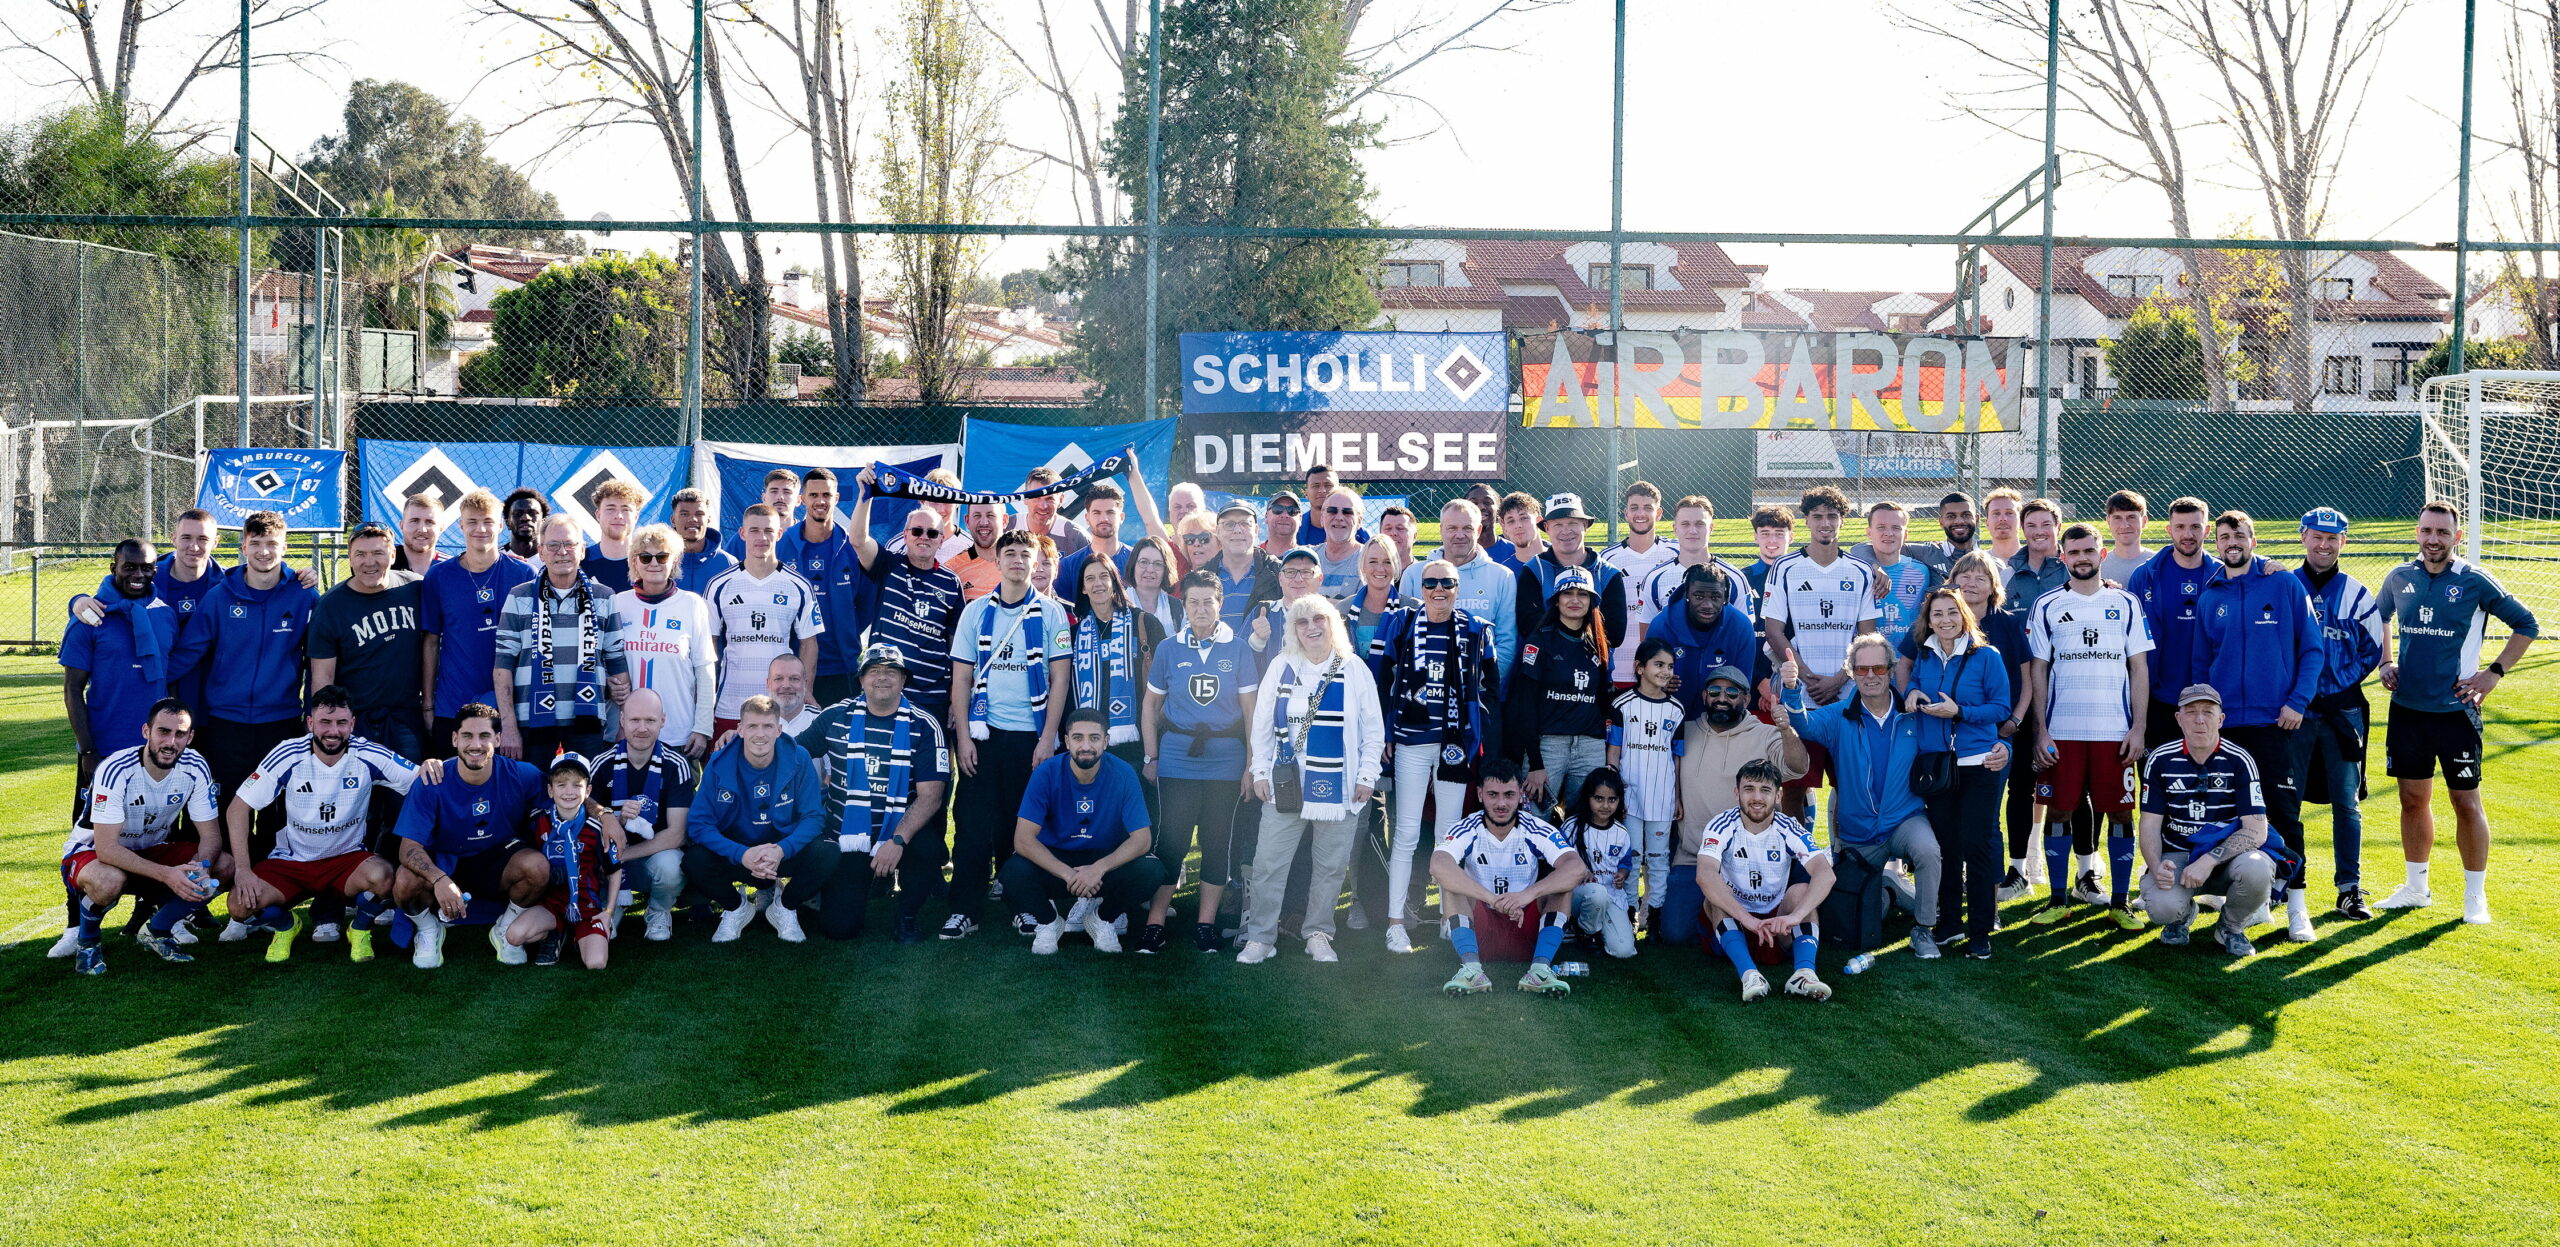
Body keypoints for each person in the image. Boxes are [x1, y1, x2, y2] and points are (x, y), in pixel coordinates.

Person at [2375, 500, 2540, 923]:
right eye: (2426, 531)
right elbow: (2380, 620)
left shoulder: (2474, 581)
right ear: (2417, 532)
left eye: (2442, 533)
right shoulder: (2399, 578)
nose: (2433, 540)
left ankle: (2474, 895)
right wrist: (2386, 661)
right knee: (2412, 799)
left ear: (2457, 537)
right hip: (2407, 710)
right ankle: (2416, 887)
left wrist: (2493, 674)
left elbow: (2527, 624)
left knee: (2465, 801)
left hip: (2456, 712)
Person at [2194, 508, 2324, 941]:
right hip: (2228, 729)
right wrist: (2209, 721)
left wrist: (2296, 702)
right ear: (2216, 544)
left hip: (2277, 722)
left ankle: (2298, 909)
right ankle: (2254, 903)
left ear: (2254, 539)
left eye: (2239, 535)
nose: (2232, 542)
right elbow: (2201, 666)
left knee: (2284, 815)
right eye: (2224, 536)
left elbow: (2312, 650)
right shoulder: (2211, 596)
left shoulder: (2284, 583)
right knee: (2233, 818)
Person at [224, 687, 418, 964]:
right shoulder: (289, 754)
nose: (333, 731)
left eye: (341, 723)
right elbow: (238, 808)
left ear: (352, 724)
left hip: (346, 860)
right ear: (311, 722)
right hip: (292, 863)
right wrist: (242, 870)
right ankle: (286, 926)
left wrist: (435, 766)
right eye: (325, 722)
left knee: (386, 879)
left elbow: (421, 781)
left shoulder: (367, 754)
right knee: (239, 906)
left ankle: (360, 929)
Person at [1240, 596, 1386, 965]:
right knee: (1269, 863)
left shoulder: (1354, 668)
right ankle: (1260, 936)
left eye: (1318, 619)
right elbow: (1261, 726)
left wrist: (1367, 775)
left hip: (1342, 787)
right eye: (1301, 622)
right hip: (1286, 785)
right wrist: (1260, 770)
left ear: (1332, 623)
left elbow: (1373, 731)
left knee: (1331, 867)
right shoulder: (1281, 665)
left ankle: (1318, 932)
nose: (1311, 627)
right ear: (1293, 629)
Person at [1368, 558, 1504, 953]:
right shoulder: (1402, 623)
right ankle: (1396, 922)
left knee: (1449, 833)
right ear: (1420, 586)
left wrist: (1483, 739)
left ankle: (1450, 917)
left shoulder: (1477, 630)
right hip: (1411, 740)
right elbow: (1381, 679)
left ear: (1458, 587)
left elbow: (1490, 690)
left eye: (1447, 582)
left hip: (1455, 742)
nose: (1439, 589)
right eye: (1431, 583)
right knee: (1407, 832)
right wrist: (1384, 732)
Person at [1780, 642, 1944, 968]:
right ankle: (1887, 892)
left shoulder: (1913, 713)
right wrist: (1790, 687)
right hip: (1858, 832)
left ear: (1892, 669)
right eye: (1861, 669)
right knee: (1847, 915)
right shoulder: (1839, 715)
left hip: (1904, 819)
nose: (1870, 676)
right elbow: (1803, 724)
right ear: (1852, 673)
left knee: (1928, 851)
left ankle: (1924, 929)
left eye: (1879, 668)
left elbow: (1950, 738)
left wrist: (2001, 747)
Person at [2024, 523, 2154, 927]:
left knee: (2119, 814)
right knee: (2060, 810)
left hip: (2114, 732)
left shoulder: (2126, 603)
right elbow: (2039, 671)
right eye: (2073, 552)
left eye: (2088, 551)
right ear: (2063, 557)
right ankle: (2057, 900)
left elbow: (2139, 668)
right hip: (2062, 732)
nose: (2081, 558)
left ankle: (2119, 902)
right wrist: (2040, 730)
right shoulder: (2046, 604)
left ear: (2101, 553)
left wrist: (2138, 729)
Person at [947, 528, 1073, 939]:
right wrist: (963, 738)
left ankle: (1024, 905)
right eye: (1010, 553)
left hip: (1030, 737)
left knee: (1022, 826)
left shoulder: (1052, 614)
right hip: (984, 736)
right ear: (997, 562)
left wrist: (1047, 738)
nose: (1018, 560)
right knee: (971, 823)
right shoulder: (975, 611)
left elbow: (1059, 680)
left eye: (1025, 554)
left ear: (1036, 563)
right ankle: (966, 908)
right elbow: (961, 678)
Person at [165, 509, 317, 829]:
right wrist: (141, 681)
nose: (264, 551)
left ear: (285, 547)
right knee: (222, 812)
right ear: (243, 547)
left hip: (281, 722)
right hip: (226, 723)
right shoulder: (219, 597)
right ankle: (225, 878)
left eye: (272, 543)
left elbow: (321, 657)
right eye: (256, 542)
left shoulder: (305, 595)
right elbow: (187, 654)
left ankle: (268, 879)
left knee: (278, 817)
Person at [1140, 570, 1261, 954]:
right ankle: (1155, 922)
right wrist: (1151, 755)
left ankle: (1204, 925)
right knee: (1171, 842)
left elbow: (1251, 713)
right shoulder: (1169, 648)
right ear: (1184, 605)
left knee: (1216, 843)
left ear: (1220, 604)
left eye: (1208, 601)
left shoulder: (1239, 648)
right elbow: (1150, 705)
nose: (1201, 608)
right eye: (1193, 601)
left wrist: (1250, 766)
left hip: (1226, 763)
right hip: (1177, 759)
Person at [1907, 550, 2038, 902]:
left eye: (1981, 577)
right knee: (1948, 826)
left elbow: (2026, 679)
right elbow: (1910, 668)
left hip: (1997, 735)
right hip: (1944, 745)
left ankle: (1989, 894)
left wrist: (2013, 721)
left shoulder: (2007, 624)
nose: (1971, 583)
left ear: (1994, 585)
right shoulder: (1930, 629)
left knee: (1984, 826)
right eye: (1964, 576)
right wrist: (1912, 692)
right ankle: (1949, 899)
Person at [58, 700, 225, 975]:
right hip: (92, 852)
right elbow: (107, 849)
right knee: (108, 879)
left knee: (223, 866)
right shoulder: (116, 769)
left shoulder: (196, 766)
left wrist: (201, 867)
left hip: (150, 849)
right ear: (146, 731)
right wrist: (168, 874)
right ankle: (87, 943)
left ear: (190, 737)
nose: (171, 741)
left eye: (180, 734)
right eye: (163, 731)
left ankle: (157, 931)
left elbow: (211, 834)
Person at [800, 644, 951, 943]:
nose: (882, 678)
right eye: (874, 671)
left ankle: (907, 915)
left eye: (891, 671)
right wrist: (743, 738)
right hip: (849, 834)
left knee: (928, 848)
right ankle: (858, 885)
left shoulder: (924, 724)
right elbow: (792, 754)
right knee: (839, 928)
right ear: (861, 679)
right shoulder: (835, 716)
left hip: (900, 832)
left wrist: (897, 840)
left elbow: (932, 796)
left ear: (904, 680)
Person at [389, 704, 550, 969]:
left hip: (497, 861)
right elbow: (407, 848)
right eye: (467, 736)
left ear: (497, 739)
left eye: (484, 736)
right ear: (454, 739)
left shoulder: (521, 774)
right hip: (446, 863)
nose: (476, 745)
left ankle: (506, 928)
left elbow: (567, 794)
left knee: (537, 867)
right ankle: (429, 929)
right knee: (405, 880)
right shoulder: (432, 779)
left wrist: (603, 815)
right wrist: (439, 879)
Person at [1003, 709, 1171, 954]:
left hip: (1103, 861)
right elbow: (1023, 840)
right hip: (1058, 861)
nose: (1086, 745)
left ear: (1106, 741)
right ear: (1067, 740)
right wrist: (1069, 875)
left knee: (1152, 870)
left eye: (1094, 738)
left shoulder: (1123, 773)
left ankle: (1102, 918)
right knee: (1012, 873)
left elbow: (1142, 840)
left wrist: (1098, 868)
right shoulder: (1046, 772)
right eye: (1078, 737)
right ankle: (1049, 922)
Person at [1762, 486, 1881, 832]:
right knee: (1795, 787)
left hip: (1846, 696)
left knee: (1852, 788)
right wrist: (1804, 674)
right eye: (1818, 516)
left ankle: (1847, 865)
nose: (1825, 523)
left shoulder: (1859, 571)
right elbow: (1773, 629)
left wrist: (1841, 678)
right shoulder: (1785, 568)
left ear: (1843, 521)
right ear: (1806, 520)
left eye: (1832, 516)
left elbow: (1867, 638)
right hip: (1802, 695)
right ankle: (1799, 866)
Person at [1905, 587, 2014, 959]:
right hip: (1937, 766)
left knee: (1976, 844)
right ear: (1928, 620)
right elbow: (1918, 685)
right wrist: (1913, 693)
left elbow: (2001, 707)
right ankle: (1949, 923)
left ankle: (1981, 930)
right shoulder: (1925, 655)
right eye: (1937, 614)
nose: (1945, 620)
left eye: (1952, 612)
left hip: (1978, 764)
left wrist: (1961, 713)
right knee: (1946, 847)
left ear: (1964, 614)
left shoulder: (1986, 656)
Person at [1666, 666, 1808, 947]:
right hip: (1693, 857)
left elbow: (1799, 767)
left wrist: (1786, 729)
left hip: (1749, 861)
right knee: (1675, 934)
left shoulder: (1765, 734)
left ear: (1745, 698)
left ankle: (1731, 922)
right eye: (1715, 691)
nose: (1722, 698)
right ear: (1704, 696)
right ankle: (1715, 915)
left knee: (1742, 941)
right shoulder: (1686, 730)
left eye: (1732, 692)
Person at [2138, 685, 2282, 958]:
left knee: (2258, 869)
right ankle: (2182, 915)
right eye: (2190, 712)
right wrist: (2156, 866)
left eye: (2207, 712)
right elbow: (2149, 824)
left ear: (2221, 719)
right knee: (2161, 907)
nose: (2199, 719)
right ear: (2178, 719)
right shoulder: (2160, 759)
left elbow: (2256, 830)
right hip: (2178, 855)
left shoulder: (2240, 760)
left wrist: (2209, 860)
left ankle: (2231, 927)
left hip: (2227, 857)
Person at [2292, 506, 2385, 920]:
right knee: (2285, 801)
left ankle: (2349, 888)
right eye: (2317, 536)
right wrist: (2301, 693)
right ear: (2303, 537)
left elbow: (2373, 649)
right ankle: (2285, 881)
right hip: (2292, 714)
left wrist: (2333, 688)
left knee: (2346, 804)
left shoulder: (2357, 592)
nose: (2324, 544)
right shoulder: (2283, 585)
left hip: (2343, 712)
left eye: (2332, 538)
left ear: (2343, 542)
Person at [1430, 759, 1588, 996]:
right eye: (1493, 794)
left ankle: (1539, 971)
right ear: (1480, 794)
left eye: (1509, 794)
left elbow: (1577, 868)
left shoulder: (1536, 827)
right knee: (1451, 881)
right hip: (1481, 927)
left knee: (1561, 885)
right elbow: (1438, 864)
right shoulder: (1467, 827)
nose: (1501, 803)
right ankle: (1471, 970)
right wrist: (1492, 899)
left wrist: (1526, 895)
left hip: (1526, 925)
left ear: (1520, 795)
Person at [686, 694, 833, 943]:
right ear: (740, 729)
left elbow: (814, 817)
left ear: (779, 729)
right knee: (694, 860)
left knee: (827, 852)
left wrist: (781, 851)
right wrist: (741, 854)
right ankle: (736, 907)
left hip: (781, 852)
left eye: (767, 726)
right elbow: (698, 824)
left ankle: (785, 906)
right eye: (752, 726)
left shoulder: (799, 758)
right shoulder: (718, 762)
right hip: (739, 853)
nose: (760, 734)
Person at [492, 514, 631, 764]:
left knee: (587, 795)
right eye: (553, 545)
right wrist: (509, 726)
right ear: (541, 552)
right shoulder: (519, 596)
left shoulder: (604, 597)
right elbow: (503, 665)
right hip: (531, 721)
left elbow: (616, 660)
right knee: (533, 795)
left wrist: (623, 722)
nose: (562, 552)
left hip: (587, 720)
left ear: (582, 551)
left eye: (570, 544)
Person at [1696, 760, 1836, 1002]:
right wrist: (1747, 918)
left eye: (1765, 790)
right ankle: (1750, 975)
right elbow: (1705, 875)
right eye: (1749, 789)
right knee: (1714, 897)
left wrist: (1794, 916)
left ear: (1778, 795)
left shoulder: (1788, 827)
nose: (1757, 798)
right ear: (1736, 792)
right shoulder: (1721, 825)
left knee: (1802, 891)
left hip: (1774, 925)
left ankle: (1804, 974)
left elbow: (1825, 874)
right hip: (1734, 921)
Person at [421, 489, 540, 760]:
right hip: (453, 703)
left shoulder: (524, 574)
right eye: (472, 522)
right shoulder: (439, 576)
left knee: (508, 789)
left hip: (511, 708)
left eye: (488, 521)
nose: (481, 529)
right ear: (461, 525)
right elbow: (430, 642)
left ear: (500, 524)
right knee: (451, 786)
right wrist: (428, 705)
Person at [848, 468, 967, 727]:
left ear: (941, 540)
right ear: (905, 535)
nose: (924, 537)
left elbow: (957, 647)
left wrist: (956, 699)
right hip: (887, 689)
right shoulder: (888, 564)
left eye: (932, 533)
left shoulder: (951, 582)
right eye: (917, 531)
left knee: (930, 767)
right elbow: (858, 540)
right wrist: (865, 495)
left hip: (933, 696)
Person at [308, 523, 427, 762]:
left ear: (393, 555)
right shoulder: (331, 606)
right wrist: (329, 728)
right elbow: (322, 679)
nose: (369, 562)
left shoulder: (415, 588)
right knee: (356, 796)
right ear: (350, 559)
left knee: (407, 793)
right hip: (354, 720)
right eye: (360, 554)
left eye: (378, 553)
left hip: (405, 715)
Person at [61, 539, 179, 778]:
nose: (138, 574)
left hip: (156, 747)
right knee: (98, 817)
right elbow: (72, 689)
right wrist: (88, 750)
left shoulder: (165, 614)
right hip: (104, 747)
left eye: (146, 568)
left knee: (157, 817)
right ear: (114, 567)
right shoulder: (88, 618)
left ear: (155, 571)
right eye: (129, 567)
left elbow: (170, 681)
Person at [586, 688, 696, 941]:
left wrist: (623, 856)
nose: (642, 728)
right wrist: (606, 814)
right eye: (635, 720)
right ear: (622, 720)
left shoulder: (676, 764)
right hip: (607, 859)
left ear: (663, 721)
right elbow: (584, 804)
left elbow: (677, 834)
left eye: (650, 720)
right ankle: (609, 906)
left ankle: (658, 911)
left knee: (672, 866)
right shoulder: (602, 762)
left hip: (649, 856)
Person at [705, 504, 823, 737]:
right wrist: (706, 696)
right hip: (731, 704)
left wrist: (806, 691)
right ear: (742, 533)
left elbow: (810, 644)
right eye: (754, 530)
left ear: (779, 534)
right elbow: (709, 644)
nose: (761, 537)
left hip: (780, 707)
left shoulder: (798, 585)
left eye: (769, 531)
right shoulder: (719, 584)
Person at [502, 754, 623, 970]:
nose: (569, 792)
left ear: (588, 791)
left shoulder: (597, 828)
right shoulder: (537, 820)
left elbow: (614, 871)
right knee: (513, 936)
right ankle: (556, 932)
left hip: (586, 906)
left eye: (577, 785)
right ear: (550, 791)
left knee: (596, 963)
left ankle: (579, 935)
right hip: (550, 904)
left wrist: (609, 912)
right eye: (561, 785)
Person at [1508, 565, 1613, 816]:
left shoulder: (1598, 644)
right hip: (1549, 745)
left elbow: (1601, 699)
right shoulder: (1539, 641)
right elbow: (1526, 704)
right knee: (1535, 818)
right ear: (1556, 600)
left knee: (1586, 820)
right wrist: (1535, 762)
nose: (1575, 600)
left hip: (1590, 745)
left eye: (1583, 594)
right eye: (1568, 594)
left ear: (1592, 601)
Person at [611, 522, 717, 759]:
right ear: (634, 562)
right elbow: (604, 662)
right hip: (628, 733)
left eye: (662, 556)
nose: (654, 563)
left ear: (674, 561)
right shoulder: (618, 603)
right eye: (646, 557)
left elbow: (705, 671)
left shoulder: (692, 604)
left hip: (678, 732)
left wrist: (702, 727)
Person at [1067, 554, 1169, 788]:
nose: (1098, 584)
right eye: (1090, 579)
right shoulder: (1074, 635)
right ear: (1083, 588)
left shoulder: (1145, 624)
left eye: (1104, 576)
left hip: (1138, 745)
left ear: (1115, 581)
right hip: (1090, 748)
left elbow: (1165, 686)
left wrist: (1153, 753)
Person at [2125, 496, 2217, 749]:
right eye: (2180, 527)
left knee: (2206, 783)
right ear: (2169, 530)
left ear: (2207, 530)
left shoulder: (2222, 575)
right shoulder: (2145, 576)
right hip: (2158, 697)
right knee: (2157, 781)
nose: (2188, 534)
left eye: (2195, 527)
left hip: (2208, 701)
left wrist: (2269, 564)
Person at [1609, 640, 1686, 934]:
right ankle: (1628, 911)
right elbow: (1613, 753)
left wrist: (1678, 796)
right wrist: (1616, 793)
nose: (1665, 671)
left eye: (1669, 666)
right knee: (1632, 855)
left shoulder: (1677, 710)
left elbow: (1676, 758)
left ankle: (1653, 913)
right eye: (1658, 664)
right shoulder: (1622, 704)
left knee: (1658, 858)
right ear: (1640, 668)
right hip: (1630, 794)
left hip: (1662, 796)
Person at [1396, 498, 1519, 675]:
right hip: (1423, 688)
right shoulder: (1414, 575)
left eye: (1467, 528)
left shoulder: (1502, 577)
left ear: (1478, 530)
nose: (1459, 535)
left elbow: (1506, 641)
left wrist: (1479, 683)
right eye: (1452, 528)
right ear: (1441, 530)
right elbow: (1404, 636)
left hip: (1478, 692)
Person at [778, 468, 865, 706]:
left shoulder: (852, 546)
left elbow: (867, 603)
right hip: (792, 666)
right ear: (803, 498)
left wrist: (849, 630)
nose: (820, 501)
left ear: (836, 499)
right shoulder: (782, 544)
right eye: (813, 495)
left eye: (826, 495)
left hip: (842, 666)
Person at [1637, 494, 1754, 653]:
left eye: (1700, 524)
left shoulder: (1734, 578)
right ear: (1675, 528)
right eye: (1685, 524)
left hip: (1719, 670)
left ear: (1711, 528)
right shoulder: (1655, 578)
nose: (1692, 530)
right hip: (1671, 673)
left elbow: (1744, 633)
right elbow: (1647, 636)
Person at [1650, 562, 1761, 721]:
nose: (1707, 605)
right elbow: (1645, 678)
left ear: (1725, 597)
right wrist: (1657, 684)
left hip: (1719, 721)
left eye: (1715, 597)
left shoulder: (1741, 627)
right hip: (1667, 718)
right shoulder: (1661, 625)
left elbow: (1742, 689)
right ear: (1687, 594)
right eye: (1699, 596)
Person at [1598, 482, 1679, 690]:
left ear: (1659, 513)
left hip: (1664, 669)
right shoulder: (1607, 559)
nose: (1640, 514)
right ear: (1625, 513)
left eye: (1648, 508)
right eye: (1634, 508)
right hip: (1620, 666)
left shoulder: (1676, 553)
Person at [1564, 768, 1640, 960]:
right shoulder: (1572, 826)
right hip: (1578, 893)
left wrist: (1622, 874)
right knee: (1597, 893)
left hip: (1611, 894)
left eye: (1612, 800)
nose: (1605, 805)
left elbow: (1625, 863)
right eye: (1599, 799)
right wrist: (1581, 871)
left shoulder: (1621, 832)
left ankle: (1599, 931)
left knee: (1624, 951)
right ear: (1588, 798)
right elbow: (1558, 861)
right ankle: (1585, 930)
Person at [1851, 501, 1942, 649]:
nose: (1888, 533)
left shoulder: (1921, 571)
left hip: (1909, 661)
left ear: (1905, 535)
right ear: (1869, 533)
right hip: (1871, 663)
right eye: (1881, 527)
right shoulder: (1858, 571)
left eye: (1896, 528)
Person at [1209, 501, 1282, 633]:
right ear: (1217, 531)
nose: (1237, 530)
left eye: (1245, 523)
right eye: (1229, 524)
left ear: (1256, 530)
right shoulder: (1201, 577)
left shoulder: (1278, 573)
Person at [1250, 547, 1324, 659]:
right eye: (1290, 572)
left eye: (1306, 572)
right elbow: (1237, 661)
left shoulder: (1332, 618)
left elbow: (1345, 659)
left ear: (1320, 579)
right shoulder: (1261, 612)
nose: (1298, 579)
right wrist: (1257, 641)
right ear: (1280, 578)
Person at [580, 478, 649, 593]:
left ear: (636, 517)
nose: (618, 516)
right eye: (611, 509)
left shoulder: (650, 562)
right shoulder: (581, 561)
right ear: (598, 515)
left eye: (625, 509)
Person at [2004, 498, 2069, 619]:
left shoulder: (2073, 571)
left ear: (2058, 528)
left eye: (2046, 524)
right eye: (2031, 526)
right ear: (2023, 529)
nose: (2039, 532)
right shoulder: (2006, 576)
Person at [1311, 480, 1369, 611]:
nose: (1339, 517)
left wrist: (1315, 603)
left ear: (1359, 521)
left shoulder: (1370, 559)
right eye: (1332, 511)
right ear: (1322, 518)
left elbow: (1369, 609)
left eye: (1347, 512)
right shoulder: (1308, 557)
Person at [669, 487, 739, 596]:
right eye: (684, 514)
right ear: (673, 520)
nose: (693, 519)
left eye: (699, 514)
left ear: (708, 519)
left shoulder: (728, 563)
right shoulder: (658, 561)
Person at [722, 469, 803, 560]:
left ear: (798, 500)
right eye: (774, 491)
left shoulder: (808, 537)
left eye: (787, 492)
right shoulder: (744, 538)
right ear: (764, 498)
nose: (780, 497)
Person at [1011, 465, 1091, 557]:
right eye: (1036, 497)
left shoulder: (1077, 537)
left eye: (1050, 499)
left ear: (1060, 500)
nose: (1043, 506)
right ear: (1025, 498)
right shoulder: (1006, 528)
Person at [1343, 536, 1401, 652]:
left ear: (1396, 566)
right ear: (1363, 566)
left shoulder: (1411, 610)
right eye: (1373, 561)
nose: (1380, 569)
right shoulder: (1343, 609)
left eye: (1387, 562)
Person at [1295, 464, 1372, 546]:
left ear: (1339, 489)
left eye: (1328, 485)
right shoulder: (1295, 529)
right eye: (1315, 486)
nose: (1322, 490)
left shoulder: (1362, 535)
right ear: (1306, 493)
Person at [946, 502, 1010, 602]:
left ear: (1004, 520)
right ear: (967, 521)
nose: (984, 522)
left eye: (990, 515)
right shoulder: (952, 570)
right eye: (977, 516)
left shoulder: (1020, 564)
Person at [1743, 506, 1795, 615]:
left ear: (1790, 537)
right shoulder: (1743, 579)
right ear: (1756, 537)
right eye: (1765, 533)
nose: (1772, 540)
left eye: (1779, 533)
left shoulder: (1802, 577)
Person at [1126, 536, 1181, 636]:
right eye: (1144, 562)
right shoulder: (1118, 605)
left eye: (1158, 564)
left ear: (1166, 569)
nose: (1150, 569)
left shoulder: (1178, 608)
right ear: (1133, 565)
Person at [2100, 489, 2152, 585]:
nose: (2124, 525)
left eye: (2131, 517)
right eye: (2117, 518)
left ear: (2144, 521)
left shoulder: (2158, 562)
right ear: (2108, 521)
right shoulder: (2098, 566)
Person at [1491, 491, 1544, 570]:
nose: (1518, 525)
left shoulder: (1562, 560)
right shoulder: (1503, 574)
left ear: (1538, 521)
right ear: (1504, 526)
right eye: (1511, 521)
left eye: (1524, 518)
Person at [395, 493, 443, 573]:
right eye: (414, 521)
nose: (422, 529)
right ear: (401, 525)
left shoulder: (453, 569)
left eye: (430, 522)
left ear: (441, 528)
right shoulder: (384, 564)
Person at [502, 488, 549, 564]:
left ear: (543, 522)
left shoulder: (554, 558)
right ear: (508, 523)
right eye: (517, 513)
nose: (525, 518)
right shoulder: (495, 559)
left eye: (532, 513)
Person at [1172, 511, 1220, 578]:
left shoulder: (1230, 577)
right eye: (1190, 539)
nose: (1196, 543)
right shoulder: (1181, 579)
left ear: (1220, 542)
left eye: (1203, 537)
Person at [1982, 487, 2023, 561]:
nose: (2003, 518)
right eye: (1996, 513)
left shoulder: (2035, 560)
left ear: (2020, 522)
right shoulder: (1978, 563)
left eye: (2009, 513)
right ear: (1987, 523)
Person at [1259, 491, 1303, 558]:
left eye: (1292, 510)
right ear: (1266, 516)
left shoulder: (1308, 558)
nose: (1284, 515)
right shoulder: (1250, 557)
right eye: (1278, 509)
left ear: (1300, 519)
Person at [1377, 504, 1417, 572]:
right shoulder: (1369, 575)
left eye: (1400, 528)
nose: (1393, 533)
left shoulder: (1424, 575)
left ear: (1414, 536)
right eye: (1388, 528)